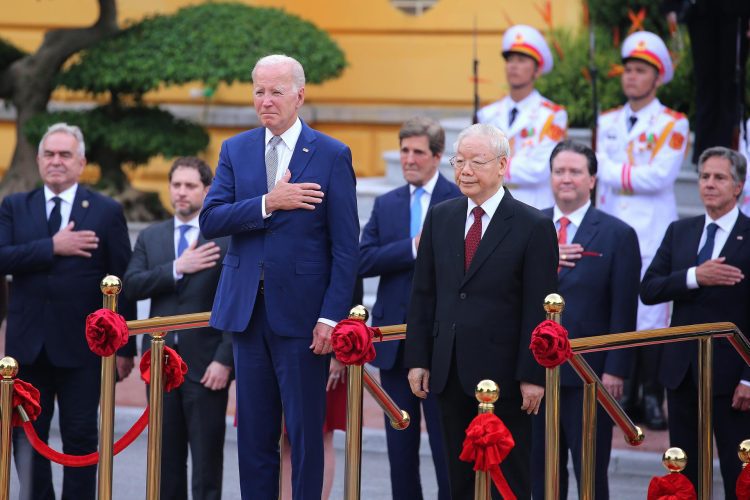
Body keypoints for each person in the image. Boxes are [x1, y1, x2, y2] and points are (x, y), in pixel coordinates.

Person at [199, 54, 359, 499]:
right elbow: (211, 220)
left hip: (304, 319)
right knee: (253, 433)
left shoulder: (331, 154)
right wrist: (270, 202)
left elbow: (346, 248)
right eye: (258, 91)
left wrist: (331, 317)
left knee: (306, 433)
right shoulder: (236, 149)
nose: (265, 101)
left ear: (299, 95)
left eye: (275, 91)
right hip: (247, 315)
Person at [405, 123, 558, 500]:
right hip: (449, 369)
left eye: (477, 161)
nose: (465, 170)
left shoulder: (532, 224)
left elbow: (538, 308)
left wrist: (532, 375)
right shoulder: (442, 216)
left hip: (505, 376)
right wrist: (418, 359)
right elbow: (424, 293)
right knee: (457, 478)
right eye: (459, 161)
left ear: (503, 165)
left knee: (509, 478)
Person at [0, 122, 136, 500]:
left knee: (80, 437)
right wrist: (52, 246)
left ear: (81, 162)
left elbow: (121, 280)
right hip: (28, 347)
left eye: (65, 155)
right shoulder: (15, 206)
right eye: (49, 154)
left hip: (83, 348)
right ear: (40, 160)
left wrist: (125, 348)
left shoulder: (106, 211)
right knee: (26, 435)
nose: (56, 162)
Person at [531, 141, 640, 500]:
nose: (566, 179)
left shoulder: (617, 234)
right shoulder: (530, 227)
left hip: (590, 376)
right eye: (559, 171)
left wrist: (616, 370)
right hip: (536, 376)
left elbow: (623, 309)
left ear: (592, 179)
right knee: (542, 474)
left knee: (590, 475)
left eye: (575, 171)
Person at [641, 146, 750, 499]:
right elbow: (650, 288)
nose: (709, 184)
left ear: (738, 186)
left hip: (734, 381)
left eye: (719, 177)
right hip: (683, 374)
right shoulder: (681, 231)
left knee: (740, 475)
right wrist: (694, 276)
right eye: (704, 177)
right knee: (685, 475)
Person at [359, 117, 459, 500]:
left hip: (441, 345)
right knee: (399, 450)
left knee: (446, 448)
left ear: (437, 156)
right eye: (404, 151)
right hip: (395, 343)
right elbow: (362, 260)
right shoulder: (387, 204)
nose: (409, 159)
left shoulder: (458, 199)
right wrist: (412, 248)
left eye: (418, 152)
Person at [596, 31, 689, 430]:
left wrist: (610, 169)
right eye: (628, 70)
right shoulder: (607, 120)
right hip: (614, 224)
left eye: (641, 71)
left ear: (657, 78)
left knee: (650, 314)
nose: (631, 78)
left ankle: (650, 395)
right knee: (618, 307)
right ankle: (625, 392)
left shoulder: (673, 122)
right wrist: (617, 174)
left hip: (652, 230)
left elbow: (659, 176)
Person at [123, 156, 232, 500]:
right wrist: (176, 267)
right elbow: (131, 284)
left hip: (207, 366)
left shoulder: (226, 240)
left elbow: (237, 304)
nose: (181, 193)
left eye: (190, 186)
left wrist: (225, 360)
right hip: (160, 364)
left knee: (206, 464)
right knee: (165, 462)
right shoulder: (151, 238)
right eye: (176, 185)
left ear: (207, 190)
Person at [477, 24, 568, 210]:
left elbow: (539, 169)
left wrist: (491, 166)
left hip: (533, 206)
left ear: (537, 70)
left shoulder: (552, 115)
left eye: (521, 60)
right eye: (510, 60)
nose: (513, 66)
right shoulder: (487, 114)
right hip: (492, 206)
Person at [662, 0, 749, 163]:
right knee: (705, 83)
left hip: (736, 13)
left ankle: (728, 155)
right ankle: (704, 155)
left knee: (732, 83)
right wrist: (672, 6)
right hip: (700, 11)